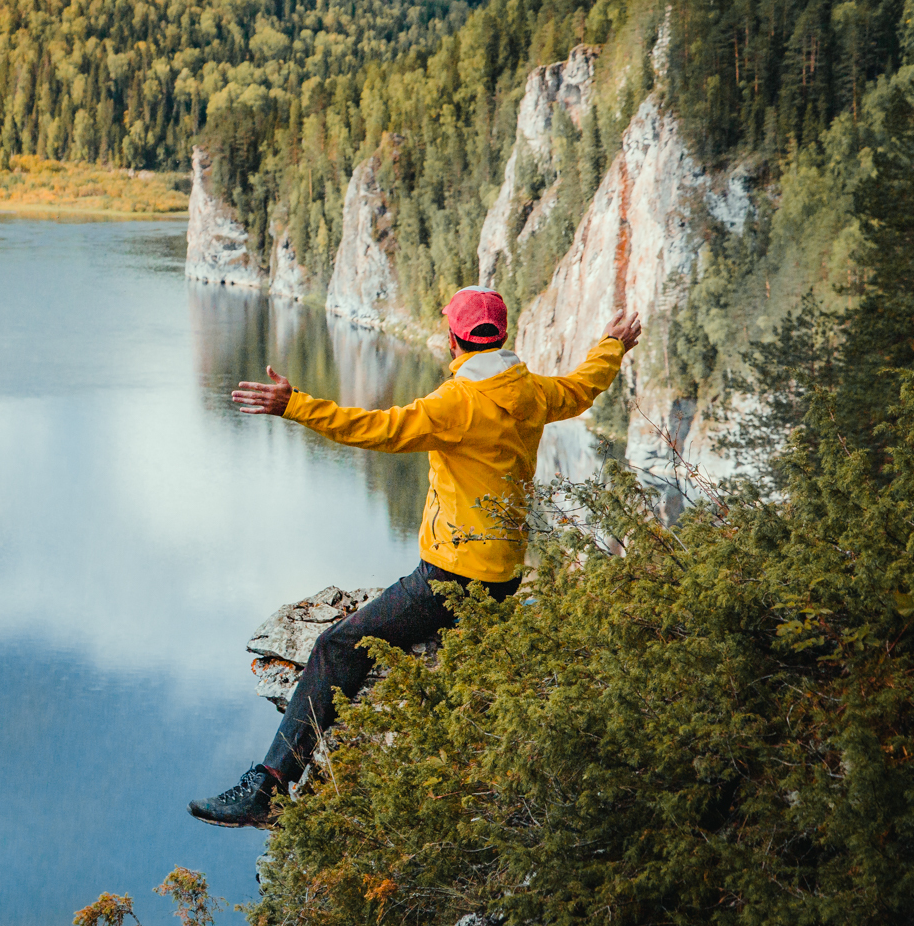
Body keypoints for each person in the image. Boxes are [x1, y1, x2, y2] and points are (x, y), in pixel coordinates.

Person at [189, 286, 642, 827]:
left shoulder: (457, 404)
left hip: (450, 576)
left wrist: (295, 404)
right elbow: (581, 387)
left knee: (337, 646)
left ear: (455, 340)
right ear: (502, 335)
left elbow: (376, 429)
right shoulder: (531, 392)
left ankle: (267, 788)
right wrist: (612, 345)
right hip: (505, 574)